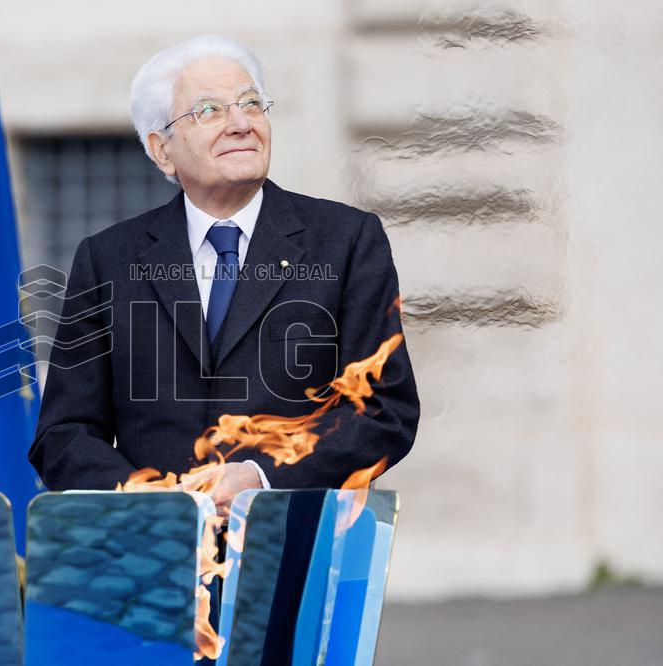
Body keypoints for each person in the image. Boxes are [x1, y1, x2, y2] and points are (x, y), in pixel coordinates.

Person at [28, 35, 419, 516]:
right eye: (210, 111)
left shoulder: (346, 240)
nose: (241, 124)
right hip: (155, 555)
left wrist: (262, 477)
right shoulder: (107, 259)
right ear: (162, 150)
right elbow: (64, 435)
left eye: (252, 105)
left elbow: (384, 411)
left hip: (293, 546)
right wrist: (152, 499)